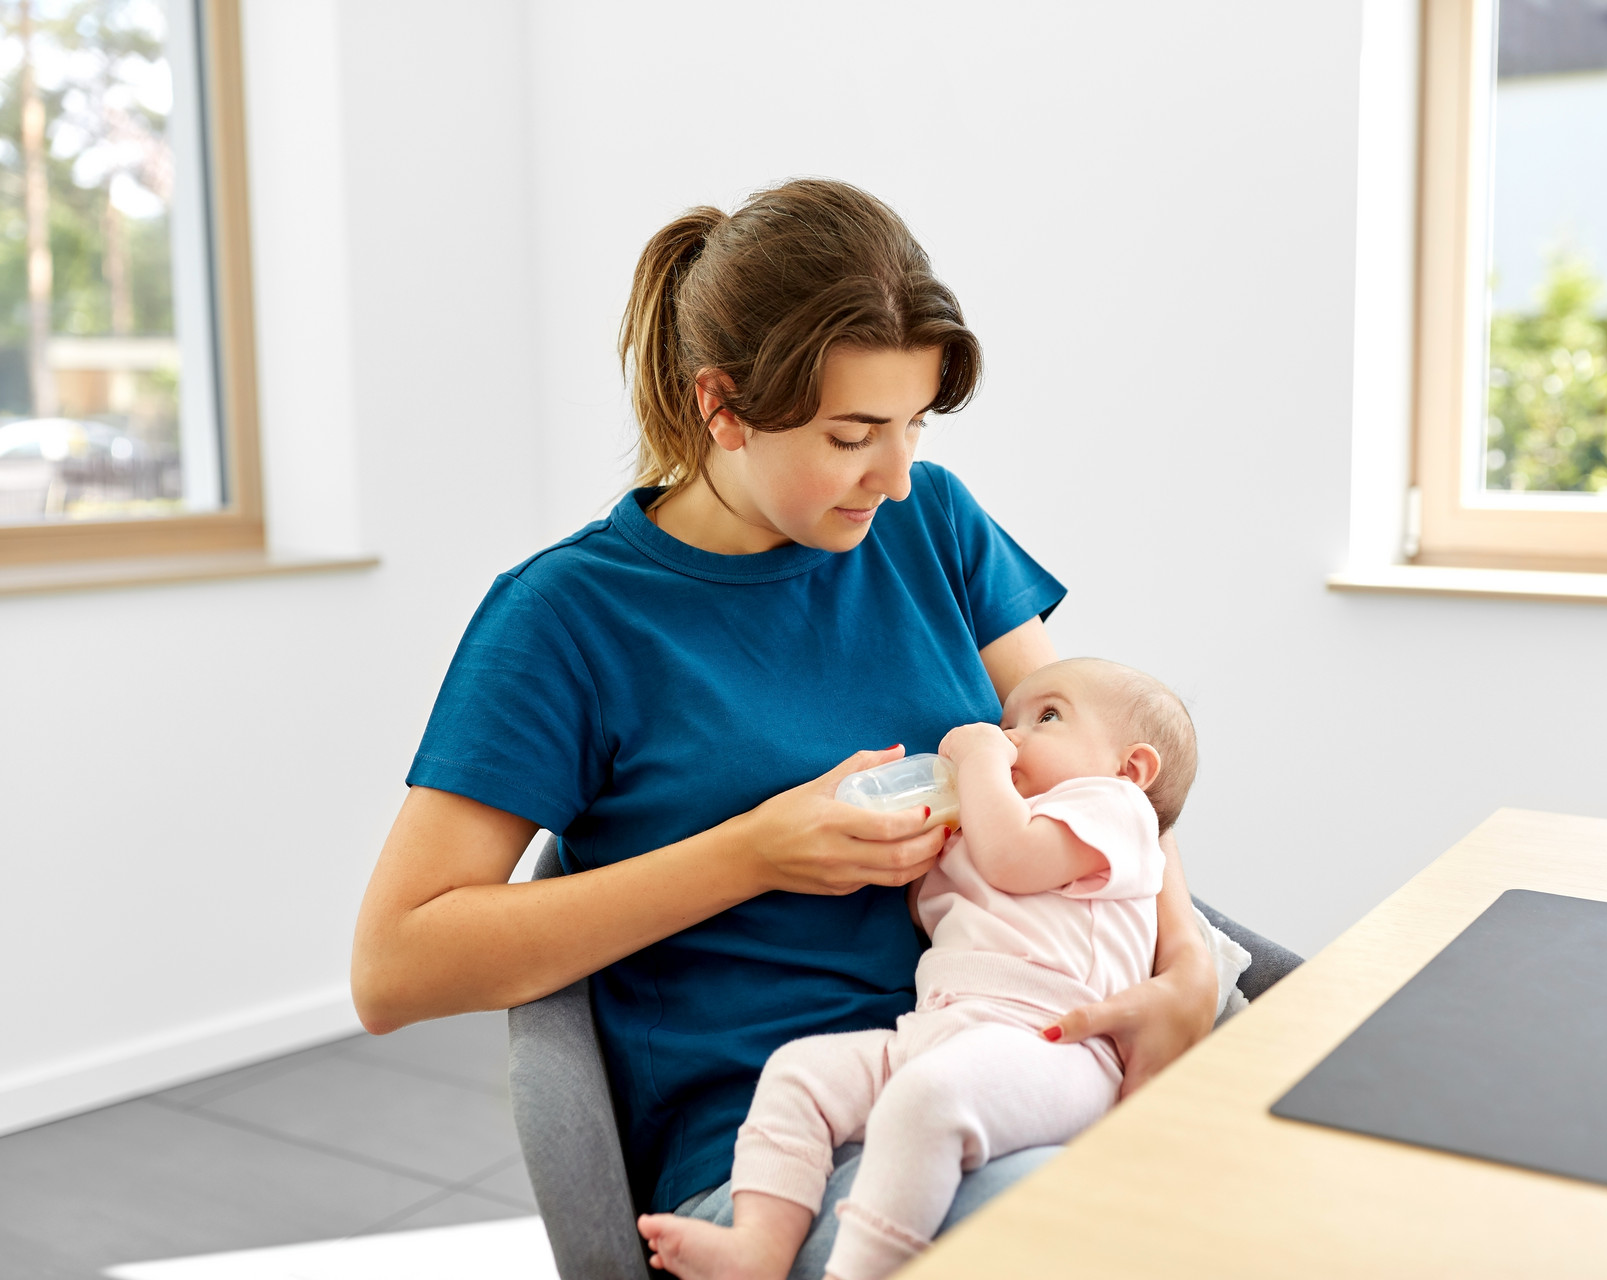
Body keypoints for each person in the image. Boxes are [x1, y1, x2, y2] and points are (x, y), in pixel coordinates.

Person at [349, 179, 1217, 1275]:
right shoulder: (568, 618)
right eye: (853, 434)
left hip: (1021, 1055)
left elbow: (1096, 769)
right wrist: (751, 852)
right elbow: (394, 966)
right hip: (790, 1144)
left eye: (912, 426)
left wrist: (1181, 964)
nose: (895, 477)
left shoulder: (931, 526)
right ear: (723, 406)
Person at [638, 658, 1197, 1280]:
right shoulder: (1005, 819)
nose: (1010, 736)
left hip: (1055, 1047)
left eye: (1046, 717)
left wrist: (980, 759)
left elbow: (1013, 858)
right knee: (800, 1073)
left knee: (927, 1101)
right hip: (946, 1031)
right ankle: (759, 1245)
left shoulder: (1115, 808)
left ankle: (854, 1271)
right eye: (1006, 723)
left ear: (1133, 767)